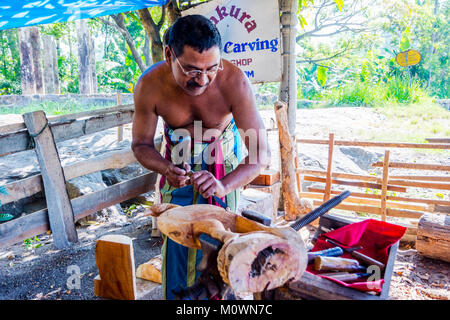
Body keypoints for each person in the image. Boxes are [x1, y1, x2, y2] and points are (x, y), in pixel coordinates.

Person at [132, 14, 269, 300]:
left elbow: (260, 154)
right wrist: (166, 168)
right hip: (175, 170)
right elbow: (141, 144)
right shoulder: (150, 85)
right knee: (177, 246)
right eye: (192, 70)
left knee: (221, 253)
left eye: (212, 69)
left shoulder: (235, 83)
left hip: (224, 171)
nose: (203, 79)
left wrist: (223, 185)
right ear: (169, 54)